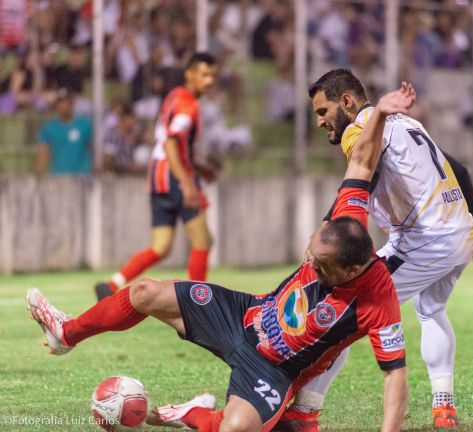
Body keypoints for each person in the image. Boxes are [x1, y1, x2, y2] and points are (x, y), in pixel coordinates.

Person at [27, 82, 416, 432]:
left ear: (351, 269)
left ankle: (188, 415)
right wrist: (379, 112)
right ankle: (67, 333)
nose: (310, 267)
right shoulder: (348, 222)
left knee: (235, 429)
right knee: (144, 292)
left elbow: (394, 376)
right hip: (244, 314)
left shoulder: (377, 300)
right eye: (313, 256)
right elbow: (362, 161)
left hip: (274, 370)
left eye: (321, 266)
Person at [275, 68, 473, 432]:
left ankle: (304, 413)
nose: (319, 122)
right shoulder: (406, 123)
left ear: (346, 101)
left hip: (425, 239)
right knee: (432, 309)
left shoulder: (357, 129)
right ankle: (444, 407)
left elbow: (368, 172)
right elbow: (459, 169)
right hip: (457, 233)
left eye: (322, 111)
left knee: (346, 309)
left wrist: (330, 225)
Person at [94, 53, 218, 301]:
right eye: (204, 75)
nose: (209, 81)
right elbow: (172, 143)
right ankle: (199, 303)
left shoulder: (174, 97)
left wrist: (199, 167)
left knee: (160, 246)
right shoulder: (188, 105)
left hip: (157, 177)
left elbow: (168, 142)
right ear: (189, 75)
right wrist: (187, 183)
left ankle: (111, 285)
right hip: (174, 177)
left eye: (212, 75)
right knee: (203, 240)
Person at [34, 90, 93, 176]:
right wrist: (38, 174)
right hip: (59, 177)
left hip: (82, 178)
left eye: (66, 102)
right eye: (60, 102)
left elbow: (92, 148)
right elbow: (43, 153)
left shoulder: (85, 125)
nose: (63, 105)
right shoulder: (49, 127)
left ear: (72, 104)